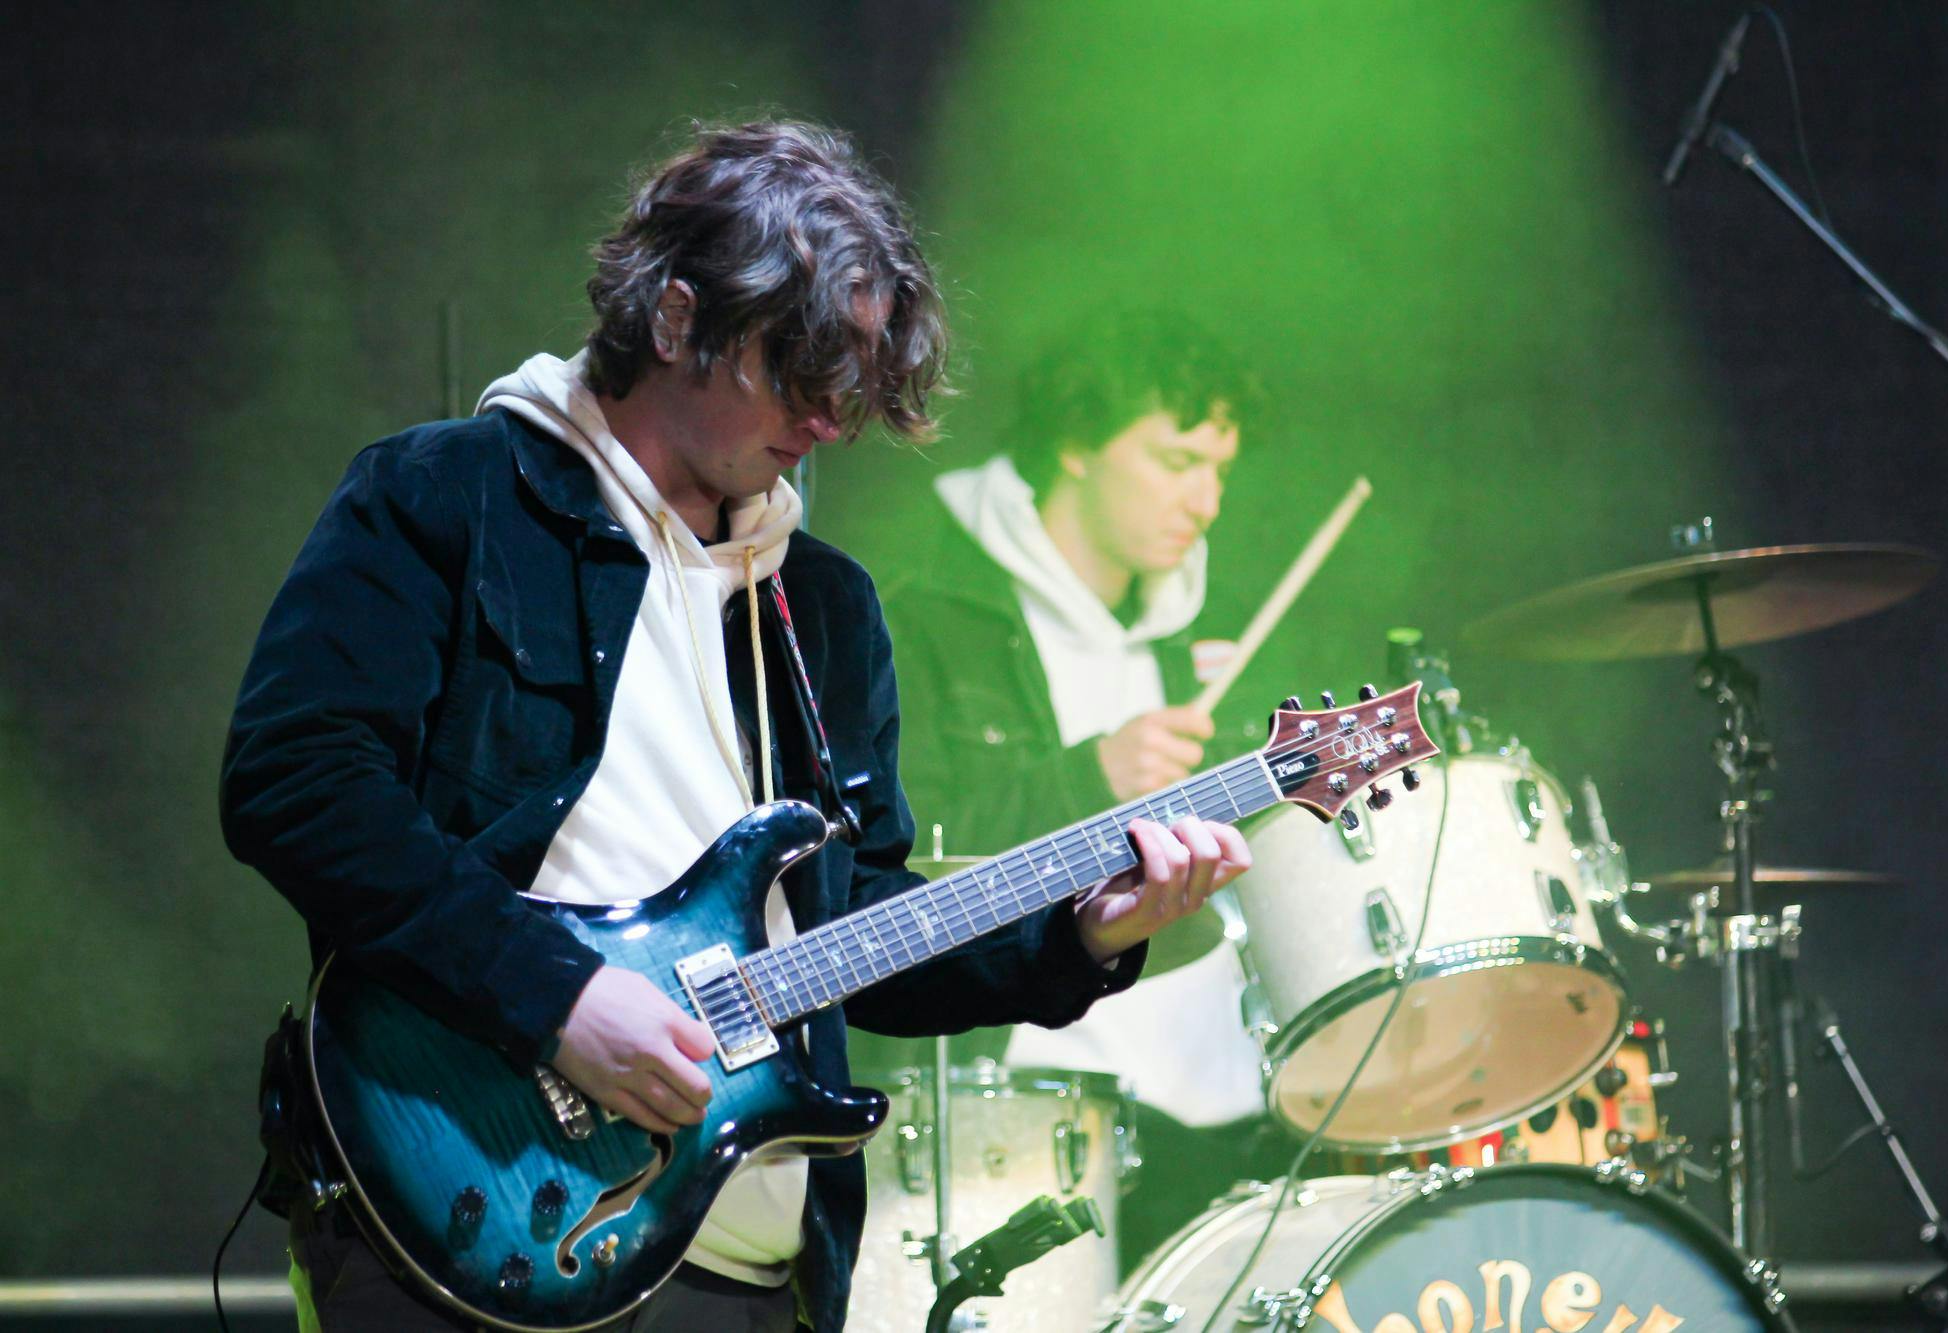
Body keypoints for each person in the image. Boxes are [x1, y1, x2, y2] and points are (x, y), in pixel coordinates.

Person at [219, 121, 1249, 1332]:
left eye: (855, 380)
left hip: (748, 1267)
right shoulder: (445, 498)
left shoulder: (822, 606)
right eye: (801, 366)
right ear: (673, 316)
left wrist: (1078, 941)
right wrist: (555, 997)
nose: (830, 415)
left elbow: (860, 924)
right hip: (468, 1205)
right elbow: (297, 780)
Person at [881, 314, 1300, 1267]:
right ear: (1075, 446)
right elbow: (898, 869)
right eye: (1175, 459)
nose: (1206, 503)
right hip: (1027, 1102)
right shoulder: (933, 621)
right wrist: (1089, 775)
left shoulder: (1200, 626)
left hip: (1215, 1102)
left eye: (1220, 472)